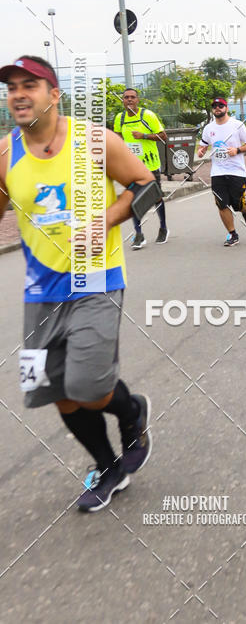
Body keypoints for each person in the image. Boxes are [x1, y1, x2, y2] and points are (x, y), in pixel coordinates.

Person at [0, 55, 155, 511]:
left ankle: (132, 412)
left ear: (54, 94)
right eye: (12, 88)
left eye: (30, 85)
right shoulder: (7, 154)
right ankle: (107, 468)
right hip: (39, 290)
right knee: (54, 392)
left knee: (88, 385)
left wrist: (105, 220)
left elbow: (147, 185)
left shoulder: (94, 141)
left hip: (96, 280)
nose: (19, 94)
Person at [113, 88, 168, 248]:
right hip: (131, 167)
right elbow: (118, 139)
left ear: (137, 100)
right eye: (126, 97)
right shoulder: (119, 118)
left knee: (156, 197)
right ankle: (139, 234)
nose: (129, 100)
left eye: (132, 97)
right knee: (132, 199)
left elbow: (163, 136)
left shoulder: (147, 116)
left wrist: (144, 136)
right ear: (122, 100)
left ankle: (163, 228)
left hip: (150, 164)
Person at [197, 98, 246, 246]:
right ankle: (232, 234)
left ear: (226, 108)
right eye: (215, 106)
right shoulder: (208, 128)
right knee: (221, 204)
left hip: (236, 171)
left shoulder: (237, 125)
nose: (217, 108)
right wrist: (201, 151)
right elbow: (203, 145)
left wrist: (237, 150)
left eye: (220, 106)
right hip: (217, 172)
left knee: (238, 203)